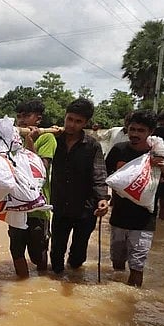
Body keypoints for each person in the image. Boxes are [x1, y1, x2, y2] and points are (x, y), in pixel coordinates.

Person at [105, 110, 164, 287]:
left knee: (137, 266)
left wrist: (162, 168)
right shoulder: (119, 150)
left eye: (140, 130)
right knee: (117, 262)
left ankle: (132, 301)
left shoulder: (158, 153)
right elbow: (103, 176)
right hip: (118, 217)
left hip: (144, 220)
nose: (135, 134)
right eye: (132, 129)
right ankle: (117, 290)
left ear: (150, 132)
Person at [49, 98, 110, 274]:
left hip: (85, 207)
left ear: (86, 123)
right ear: (65, 117)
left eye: (78, 121)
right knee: (56, 254)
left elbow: (99, 173)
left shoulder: (92, 146)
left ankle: (75, 275)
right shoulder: (54, 140)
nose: (72, 125)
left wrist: (102, 199)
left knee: (77, 256)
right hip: (60, 205)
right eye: (70, 119)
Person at [6, 98, 57, 278]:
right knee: (16, 251)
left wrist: (29, 141)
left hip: (37, 208)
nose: (21, 120)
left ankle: (43, 280)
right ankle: (23, 284)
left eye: (27, 116)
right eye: (19, 116)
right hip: (16, 206)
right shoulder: (12, 138)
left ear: (38, 119)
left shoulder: (47, 137)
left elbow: (39, 170)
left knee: (38, 254)